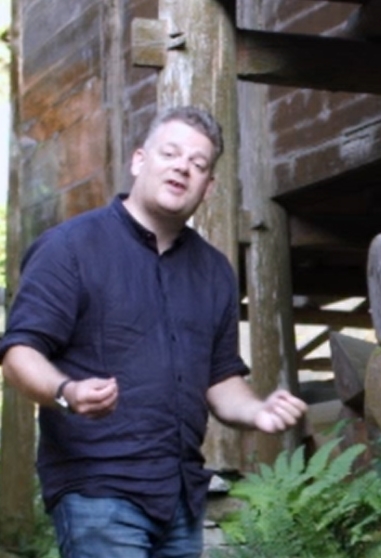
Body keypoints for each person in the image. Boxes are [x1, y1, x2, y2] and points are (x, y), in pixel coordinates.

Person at [0, 105, 308, 557]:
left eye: (198, 164)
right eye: (170, 153)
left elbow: (220, 378)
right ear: (139, 160)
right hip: (98, 490)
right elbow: (18, 353)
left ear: (208, 187)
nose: (183, 167)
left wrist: (256, 411)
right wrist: (67, 391)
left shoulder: (215, 271)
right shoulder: (70, 247)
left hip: (180, 495)